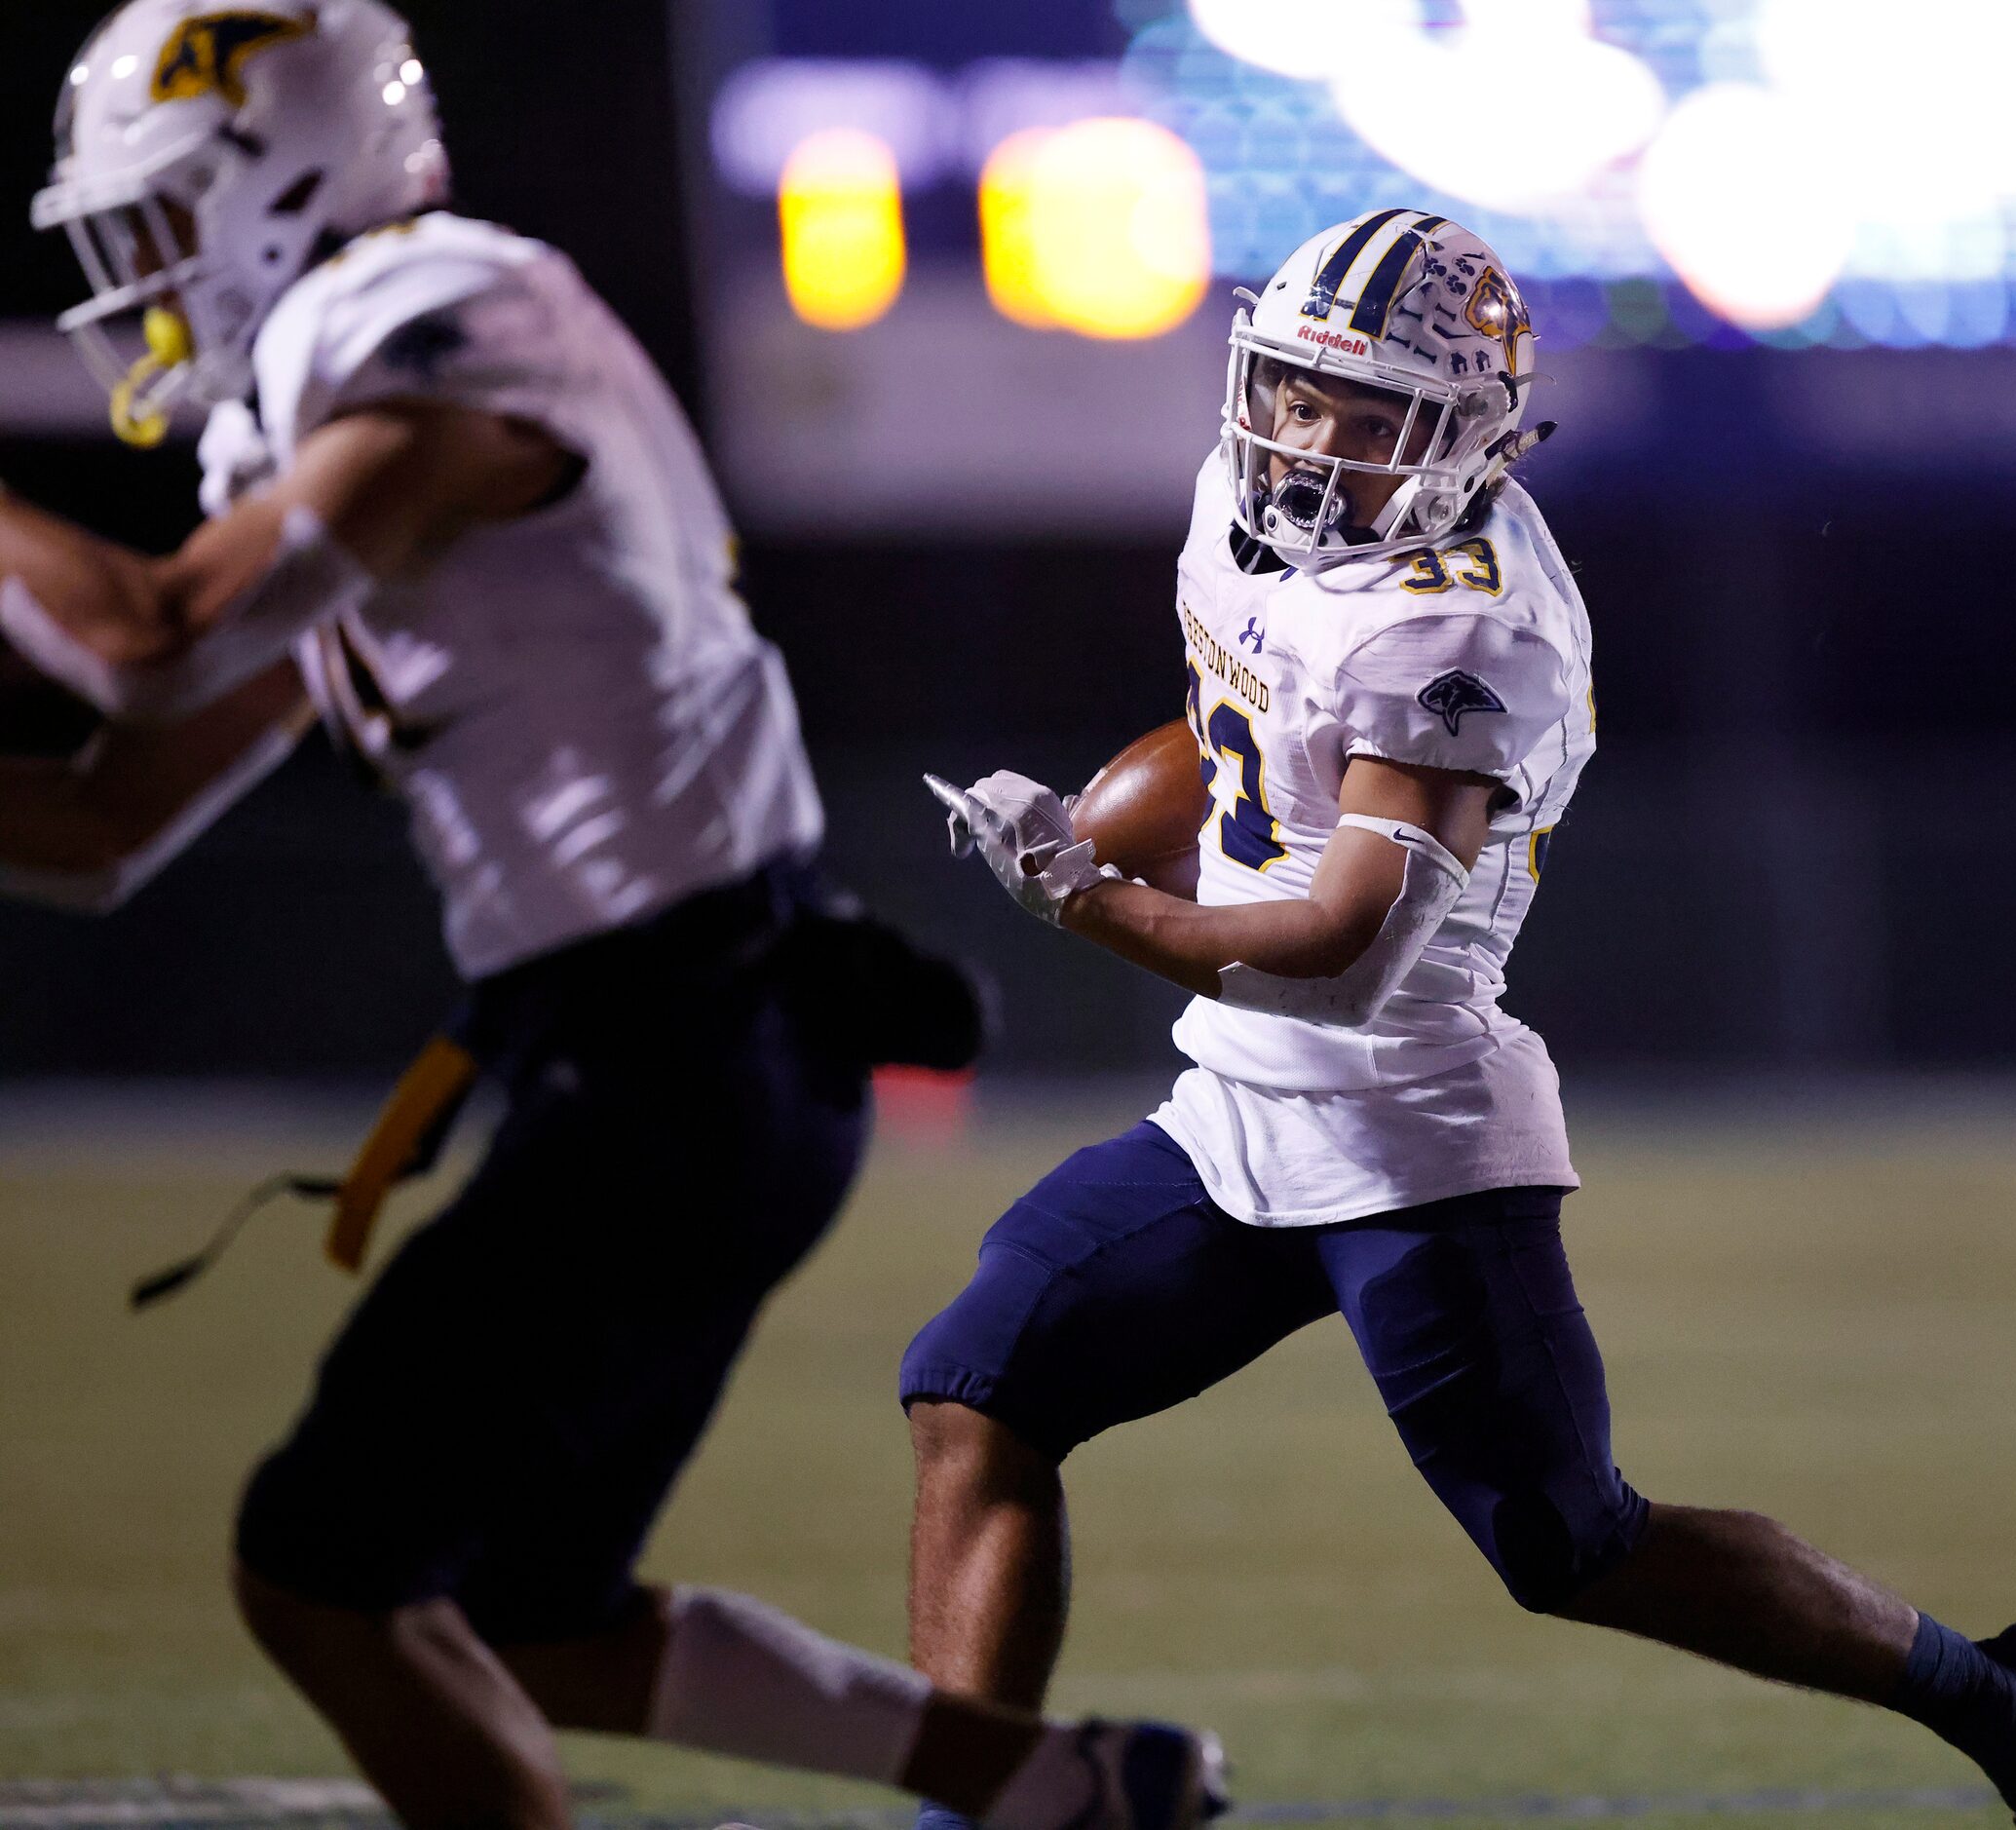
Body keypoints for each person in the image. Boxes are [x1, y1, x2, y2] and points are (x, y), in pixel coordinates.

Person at [0, 6, 1223, 1828]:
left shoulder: (447, 314)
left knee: (324, 1565)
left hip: (680, 1052)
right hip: (687, 1060)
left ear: (282, 174)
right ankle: (1057, 1787)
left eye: (166, 216)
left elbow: (152, 629)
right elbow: (113, 809)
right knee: (526, 1611)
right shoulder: (335, 415)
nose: (148, 282)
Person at [910, 208, 2016, 1830]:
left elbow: (1342, 956)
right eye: (1291, 394)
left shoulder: (1461, 623)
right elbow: (1247, 718)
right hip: (1235, 1116)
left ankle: (2014, 1698)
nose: (1309, 443)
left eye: (1368, 415)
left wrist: (1081, 899)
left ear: (1470, 431)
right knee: (976, 1386)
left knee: (1571, 1543)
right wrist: (1096, 813)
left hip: (1408, 1124)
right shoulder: (1252, 503)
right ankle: (966, 1809)